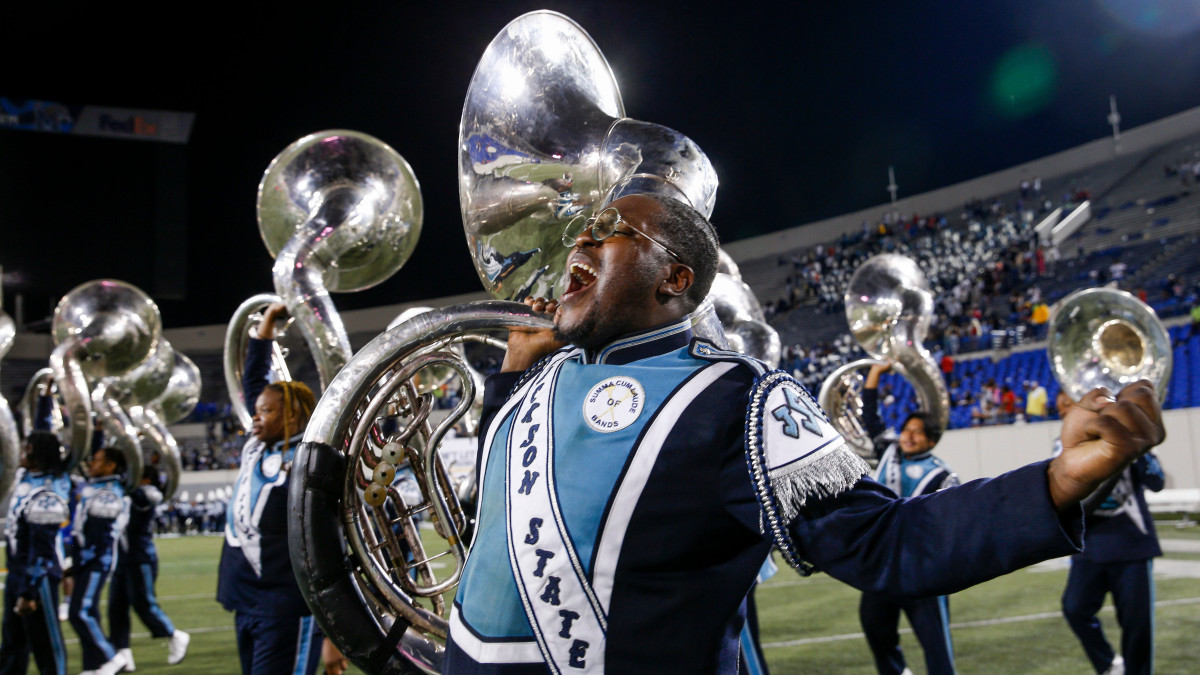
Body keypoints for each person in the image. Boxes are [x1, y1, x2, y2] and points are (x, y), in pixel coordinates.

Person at [441, 193, 1165, 673]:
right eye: (582, 231)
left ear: (674, 278)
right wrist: (509, 378)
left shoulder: (738, 395)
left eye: (610, 231)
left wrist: (1057, 483)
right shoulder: (527, 380)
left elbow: (889, 544)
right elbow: (487, 537)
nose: (582, 241)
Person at [216, 302, 326, 675]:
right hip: (245, 599)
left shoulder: (312, 459)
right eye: (257, 410)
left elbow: (330, 544)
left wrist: (330, 634)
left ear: (293, 415)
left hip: (287, 605)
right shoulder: (255, 445)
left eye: (266, 412)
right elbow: (252, 380)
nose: (256, 418)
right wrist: (266, 329)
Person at [857, 362, 959, 675]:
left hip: (921, 569)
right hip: (883, 563)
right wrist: (875, 373)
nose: (909, 436)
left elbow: (948, 526)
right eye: (907, 430)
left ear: (931, 440)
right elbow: (870, 415)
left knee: (935, 642)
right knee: (875, 625)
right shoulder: (888, 449)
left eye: (918, 433)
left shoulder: (943, 475)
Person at [1054, 392, 1164, 675]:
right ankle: (1108, 665)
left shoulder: (1125, 434)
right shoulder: (1061, 446)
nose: (1065, 412)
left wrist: (1143, 451)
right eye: (1061, 409)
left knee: (1137, 625)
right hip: (1089, 545)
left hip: (1132, 544)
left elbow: (1157, 482)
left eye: (1069, 405)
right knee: (1075, 608)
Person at [0, 431, 72, 675]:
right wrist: (44, 396)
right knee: (12, 641)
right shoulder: (26, 476)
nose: (22, 453)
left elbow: (42, 549)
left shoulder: (48, 493)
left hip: (38, 576)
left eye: (27, 449)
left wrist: (30, 590)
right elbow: (42, 429)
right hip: (17, 570)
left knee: (46, 646)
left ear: (38, 454)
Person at [108, 465, 190, 669]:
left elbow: (144, 497)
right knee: (116, 607)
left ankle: (174, 634)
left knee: (143, 603)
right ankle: (122, 653)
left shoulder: (150, 493)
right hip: (123, 558)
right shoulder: (129, 494)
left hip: (140, 558)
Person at [69, 446, 130, 675]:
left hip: (97, 561)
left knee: (80, 612)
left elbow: (100, 536)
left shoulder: (109, 493)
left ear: (110, 465)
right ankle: (92, 666)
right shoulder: (95, 488)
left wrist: (81, 559)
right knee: (89, 611)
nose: (91, 464)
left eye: (97, 460)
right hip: (86, 559)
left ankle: (111, 657)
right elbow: (77, 532)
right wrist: (73, 556)